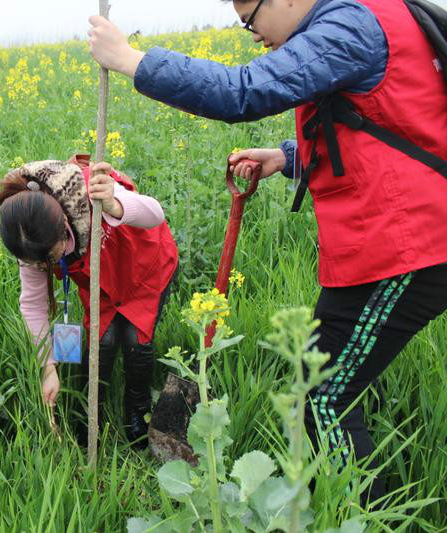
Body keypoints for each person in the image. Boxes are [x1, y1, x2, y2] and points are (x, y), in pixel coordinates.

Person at [88, 0, 447, 503]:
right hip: (392, 240)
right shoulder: (364, 17)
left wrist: (132, 60)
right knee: (333, 377)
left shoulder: (351, 22)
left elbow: (243, 92)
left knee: (324, 396)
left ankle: (367, 513)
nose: (251, 33)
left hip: (407, 246)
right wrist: (289, 156)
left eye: (250, 18)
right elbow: (389, 120)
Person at [0, 156, 178, 447]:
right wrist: (48, 367)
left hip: (144, 266)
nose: (44, 269)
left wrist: (113, 205)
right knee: (101, 341)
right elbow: (32, 304)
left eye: (50, 259)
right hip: (101, 283)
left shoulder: (90, 188)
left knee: (135, 340)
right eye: (36, 264)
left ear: (64, 225)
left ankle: (137, 412)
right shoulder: (27, 237)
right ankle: (88, 415)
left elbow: (155, 213)